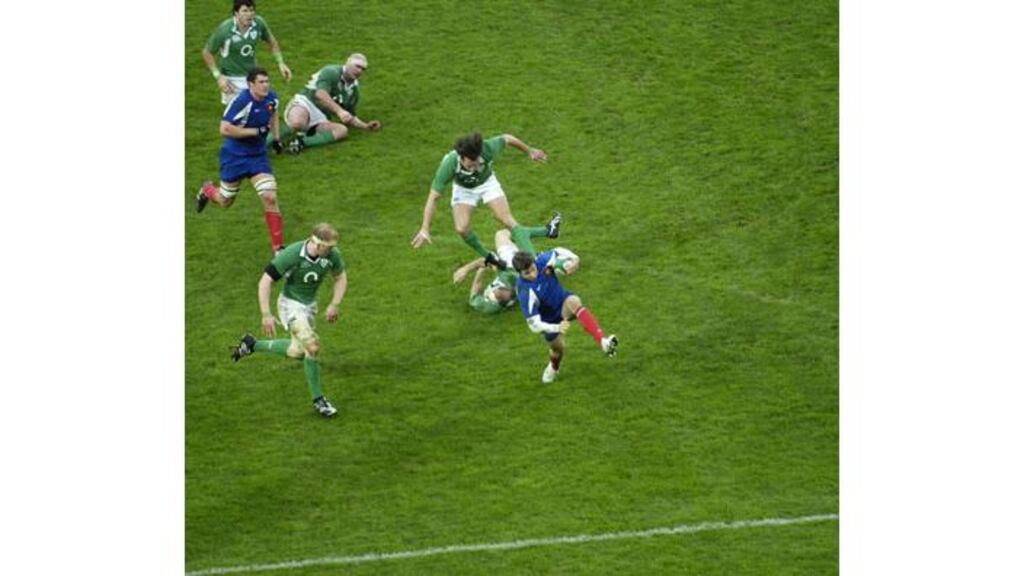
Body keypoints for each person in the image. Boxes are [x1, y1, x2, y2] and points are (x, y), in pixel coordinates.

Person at [231, 223, 349, 418]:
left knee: (297, 352)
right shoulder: (292, 254)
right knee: (312, 346)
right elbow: (265, 281)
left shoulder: (331, 254)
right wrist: (266, 314)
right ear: (316, 243)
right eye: (327, 247)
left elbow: (340, 277)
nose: (331, 250)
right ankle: (319, 400)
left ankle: (252, 344)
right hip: (290, 306)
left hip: (309, 307)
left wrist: (335, 304)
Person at [411, 132, 558, 268]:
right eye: (470, 165)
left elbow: (507, 138)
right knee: (461, 228)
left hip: (487, 184)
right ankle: (491, 257)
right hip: (464, 190)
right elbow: (433, 197)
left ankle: (534, 263)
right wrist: (425, 228)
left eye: (477, 164)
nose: (474, 168)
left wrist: (529, 150)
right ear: (461, 158)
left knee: (507, 220)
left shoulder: (487, 148)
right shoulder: (449, 164)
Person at [195, 68, 286, 254]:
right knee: (225, 201)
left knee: (270, 196)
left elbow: (273, 113)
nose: (266, 85)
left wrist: (276, 138)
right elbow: (225, 129)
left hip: (258, 156)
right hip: (234, 156)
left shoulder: (271, 98)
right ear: (251, 84)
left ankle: (278, 249)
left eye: (267, 81)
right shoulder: (241, 102)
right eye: (261, 82)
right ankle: (208, 190)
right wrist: (255, 132)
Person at [513, 250, 618, 384]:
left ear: (534, 262)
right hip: (550, 322)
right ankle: (554, 367)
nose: (533, 274)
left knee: (574, 301)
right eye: (527, 273)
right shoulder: (525, 291)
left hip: (563, 304)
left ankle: (603, 341)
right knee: (558, 351)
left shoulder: (543, 261)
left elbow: (558, 250)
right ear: (520, 273)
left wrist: (575, 259)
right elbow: (534, 324)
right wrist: (556, 327)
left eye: (533, 269)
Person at [453, 228, 576, 314]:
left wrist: (478, 271)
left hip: (511, 264)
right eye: (503, 292)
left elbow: (475, 291)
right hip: (513, 263)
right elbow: (489, 262)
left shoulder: (486, 305)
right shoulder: (516, 280)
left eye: (496, 290)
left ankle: (530, 241)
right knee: (502, 234)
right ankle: (544, 232)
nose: (499, 290)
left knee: (503, 236)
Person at [277, 53, 382, 154]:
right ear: (348, 62)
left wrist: (365, 126)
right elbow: (320, 94)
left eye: (363, 69)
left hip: (321, 118)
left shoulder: (353, 90)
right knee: (298, 123)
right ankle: (267, 141)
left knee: (342, 130)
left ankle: (301, 142)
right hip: (306, 104)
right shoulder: (331, 72)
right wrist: (339, 111)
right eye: (357, 66)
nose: (359, 71)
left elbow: (350, 116)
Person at [202, 0, 292, 105]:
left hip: (252, 77)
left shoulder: (258, 23)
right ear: (236, 13)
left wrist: (281, 63)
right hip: (231, 81)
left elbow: (272, 42)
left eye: (251, 10)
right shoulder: (225, 30)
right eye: (244, 11)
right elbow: (207, 52)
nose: (249, 14)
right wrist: (218, 76)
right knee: (235, 119)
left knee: (262, 111)